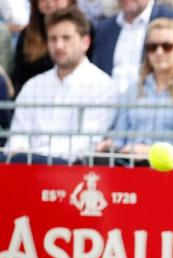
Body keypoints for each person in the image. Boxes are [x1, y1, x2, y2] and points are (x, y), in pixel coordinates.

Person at [4, 6, 115, 163]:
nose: (59, 46)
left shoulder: (103, 86)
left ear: (85, 42)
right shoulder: (33, 86)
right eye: (53, 39)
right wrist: (24, 155)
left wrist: (35, 155)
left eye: (66, 38)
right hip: (27, 171)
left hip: (71, 174)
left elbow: (87, 143)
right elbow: (17, 136)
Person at [96, 17, 173, 163]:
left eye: (167, 46)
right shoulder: (132, 90)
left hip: (171, 169)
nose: (159, 52)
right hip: (129, 164)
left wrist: (150, 151)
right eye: (152, 47)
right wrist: (110, 145)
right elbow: (119, 137)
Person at [90, 0, 173, 94]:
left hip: (153, 103)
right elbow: (96, 71)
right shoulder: (104, 28)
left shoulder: (172, 19)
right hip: (107, 103)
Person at [11, 0, 76, 93]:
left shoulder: (83, 31)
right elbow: (18, 78)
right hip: (33, 98)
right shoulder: (27, 34)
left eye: (66, 37)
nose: (49, 1)